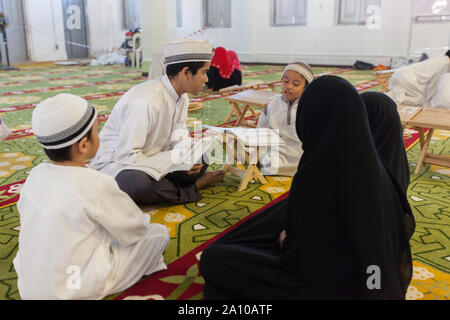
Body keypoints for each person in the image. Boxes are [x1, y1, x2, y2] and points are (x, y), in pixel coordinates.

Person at [200, 76, 414, 300]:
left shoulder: (321, 171)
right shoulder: (377, 168)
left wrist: (286, 243)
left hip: (332, 287)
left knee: (216, 260)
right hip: (371, 282)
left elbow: (303, 264)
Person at [13, 94, 170, 300]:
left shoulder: (35, 176)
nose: (101, 135)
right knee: (158, 234)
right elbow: (135, 230)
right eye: (97, 131)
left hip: (31, 287)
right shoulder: (96, 182)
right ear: (83, 145)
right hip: (75, 287)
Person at [90, 38, 225, 205]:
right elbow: (126, 156)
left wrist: (185, 158)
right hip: (120, 165)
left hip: (157, 158)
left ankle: (170, 184)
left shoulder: (181, 97)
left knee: (201, 158)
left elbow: (179, 135)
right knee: (139, 185)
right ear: (185, 72)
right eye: (204, 72)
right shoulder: (145, 100)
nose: (206, 79)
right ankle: (193, 187)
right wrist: (171, 163)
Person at [256, 61, 314, 176]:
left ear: (306, 88)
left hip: (299, 153)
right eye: (285, 82)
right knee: (239, 151)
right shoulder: (273, 103)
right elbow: (261, 130)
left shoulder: (310, 107)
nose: (289, 86)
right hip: (275, 151)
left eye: (296, 84)